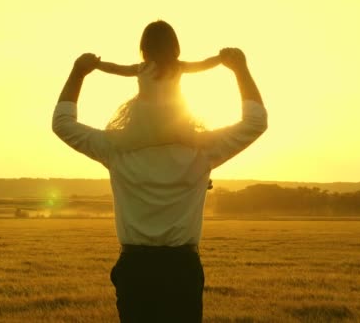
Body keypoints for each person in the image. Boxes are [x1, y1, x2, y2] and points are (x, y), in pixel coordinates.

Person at [52, 20, 267, 323]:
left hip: (135, 268)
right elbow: (256, 122)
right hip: (182, 268)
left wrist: (78, 72)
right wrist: (240, 69)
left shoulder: (116, 147)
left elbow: (62, 123)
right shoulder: (202, 148)